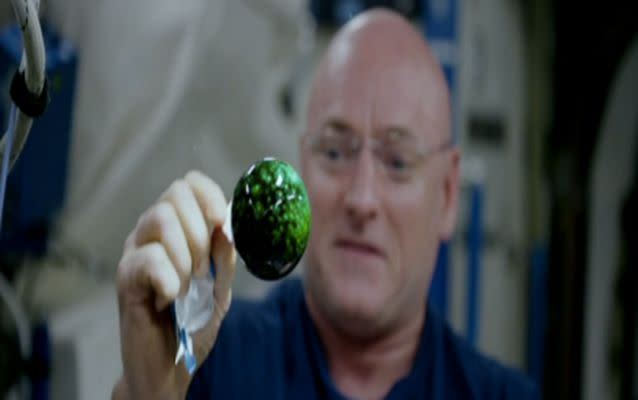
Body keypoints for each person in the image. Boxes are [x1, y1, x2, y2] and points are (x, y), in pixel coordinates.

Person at [112, 8, 539, 400]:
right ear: (303, 167)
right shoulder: (205, 358)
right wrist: (148, 392)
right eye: (335, 153)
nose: (361, 199)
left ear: (447, 195)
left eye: (397, 162)